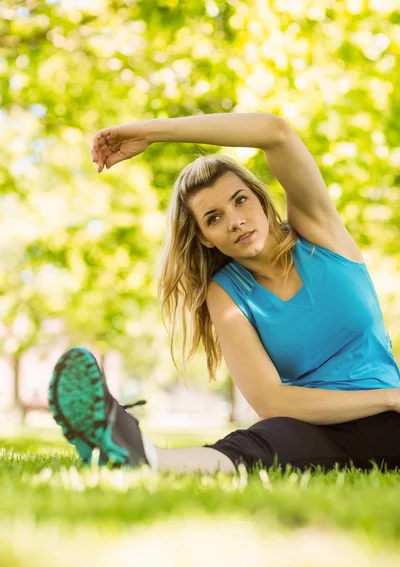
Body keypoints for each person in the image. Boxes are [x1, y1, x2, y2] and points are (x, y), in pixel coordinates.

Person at [48, 112, 400, 475]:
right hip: (314, 427)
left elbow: (275, 132)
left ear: (262, 201)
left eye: (241, 200)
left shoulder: (320, 235)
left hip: (392, 423)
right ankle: (138, 453)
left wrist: (151, 132)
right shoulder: (227, 293)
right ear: (204, 237)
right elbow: (271, 400)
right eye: (213, 218)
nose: (235, 220)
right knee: (254, 444)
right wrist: (390, 397)